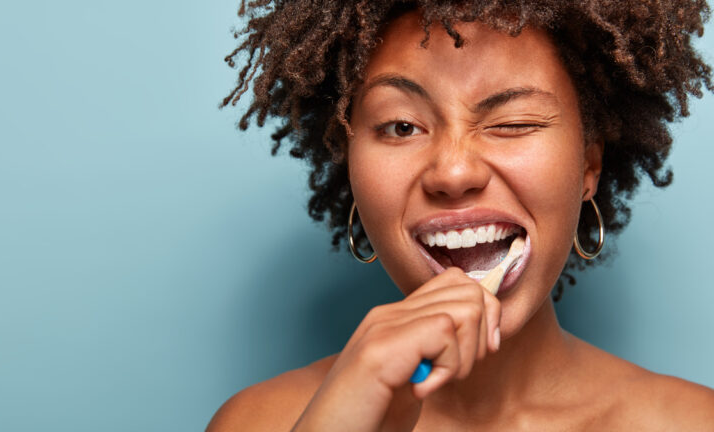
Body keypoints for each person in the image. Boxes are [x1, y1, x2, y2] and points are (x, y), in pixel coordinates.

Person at [208, 1, 714, 430]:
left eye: (513, 122)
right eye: (401, 126)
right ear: (350, 165)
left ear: (589, 164)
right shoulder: (262, 421)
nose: (452, 171)